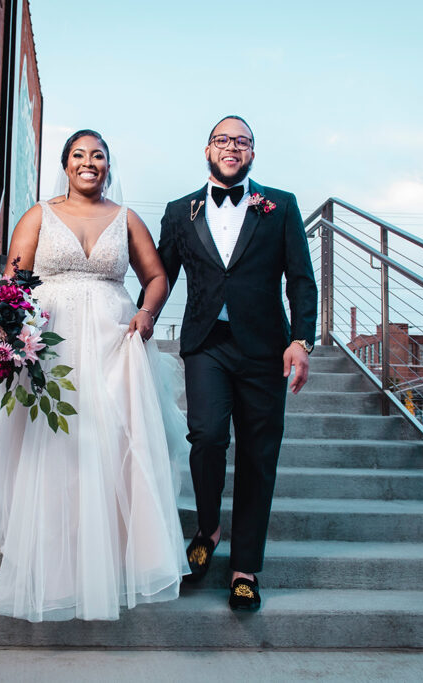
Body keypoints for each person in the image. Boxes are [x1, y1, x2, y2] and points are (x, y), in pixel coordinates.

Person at [0, 130, 190, 622]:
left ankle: (119, 560)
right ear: (66, 164)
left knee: (113, 446)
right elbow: (13, 281)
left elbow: (157, 277)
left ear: (108, 166)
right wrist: (6, 333)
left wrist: (148, 314)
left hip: (115, 344)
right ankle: (56, 568)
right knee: (58, 449)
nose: (89, 162)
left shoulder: (127, 218)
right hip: (53, 349)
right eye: (79, 155)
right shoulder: (38, 214)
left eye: (98, 155)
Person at [154, 115, 318, 611]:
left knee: (257, 453)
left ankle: (245, 566)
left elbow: (301, 280)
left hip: (266, 346)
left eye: (242, 142)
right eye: (223, 140)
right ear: (207, 149)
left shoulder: (281, 206)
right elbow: (160, 276)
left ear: (252, 153)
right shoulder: (180, 211)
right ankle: (208, 527)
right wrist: (140, 319)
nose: (232, 147)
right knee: (205, 436)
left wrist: (301, 341)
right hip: (206, 342)